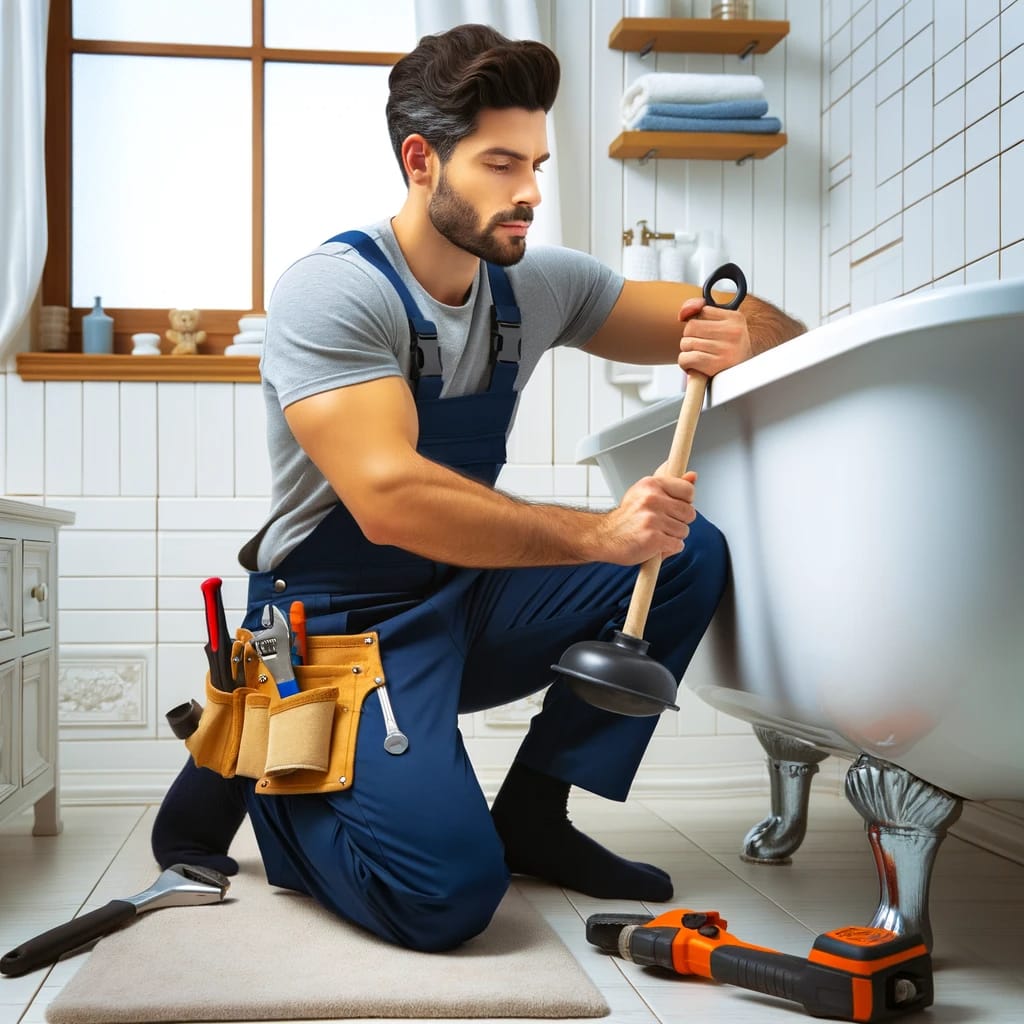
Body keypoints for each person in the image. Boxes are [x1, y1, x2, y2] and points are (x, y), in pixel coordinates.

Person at [152, 23, 806, 953]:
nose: (532, 192)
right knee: (447, 899)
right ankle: (270, 761)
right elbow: (391, 498)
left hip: (459, 595)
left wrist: (741, 336)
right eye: (502, 163)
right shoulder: (334, 292)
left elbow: (742, 316)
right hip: (343, 622)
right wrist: (596, 535)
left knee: (685, 551)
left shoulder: (536, 283)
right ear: (422, 160)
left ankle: (534, 814)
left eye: (537, 162)